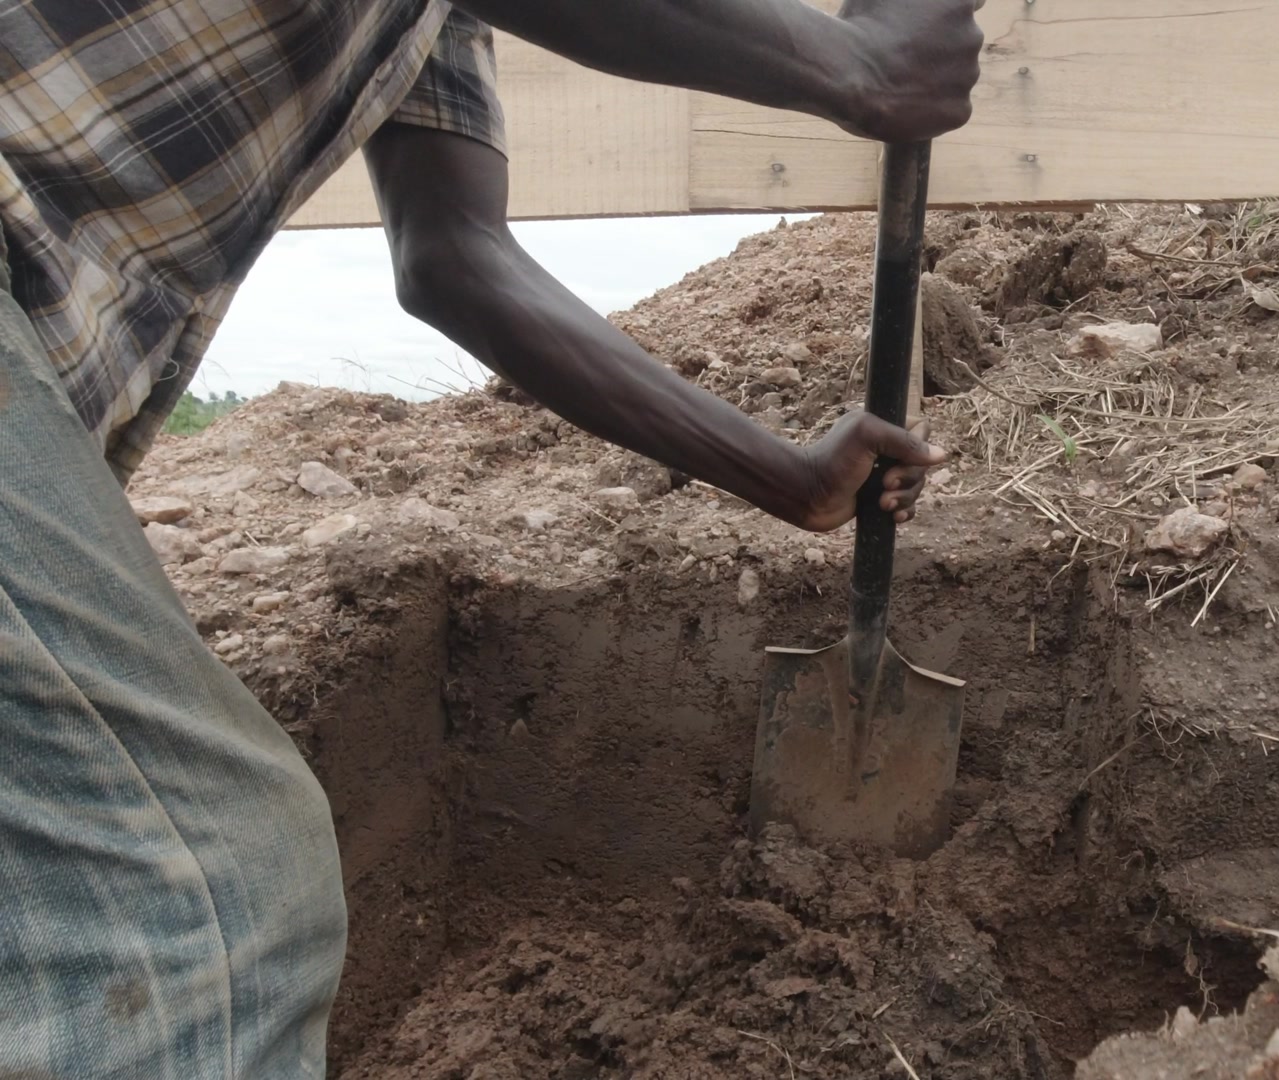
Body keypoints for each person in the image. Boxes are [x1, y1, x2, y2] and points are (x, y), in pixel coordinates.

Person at [0, 0, 983, 1075]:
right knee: (203, 908)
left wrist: (787, 476)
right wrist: (853, 65)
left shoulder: (421, 24)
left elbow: (455, 254)